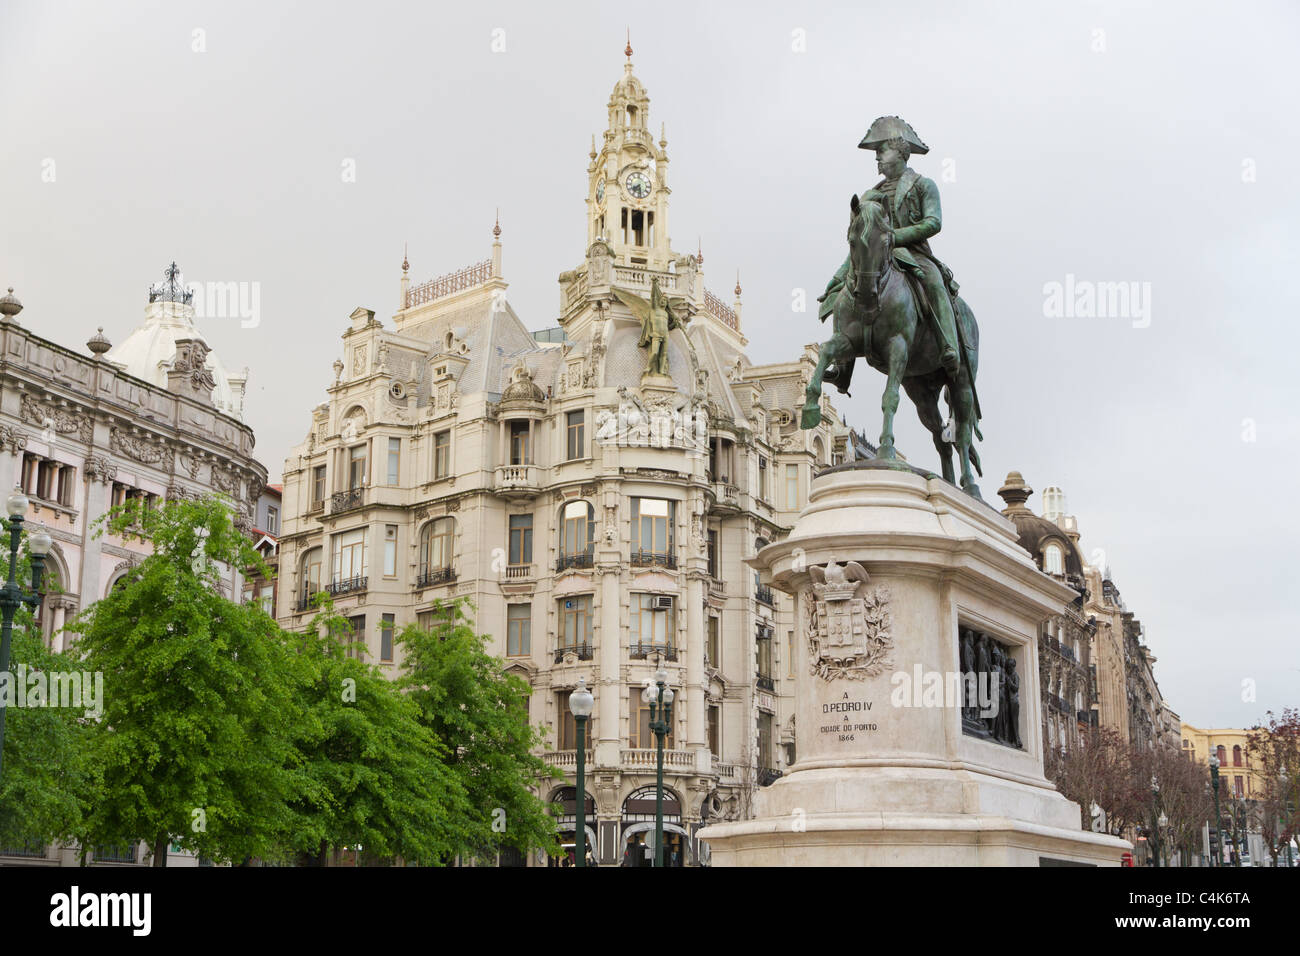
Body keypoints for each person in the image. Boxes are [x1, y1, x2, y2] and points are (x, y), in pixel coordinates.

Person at [818, 116, 962, 376]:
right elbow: (859, 243)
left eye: (882, 150)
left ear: (901, 152)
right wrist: (837, 277)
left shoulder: (923, 185)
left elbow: (933, 223)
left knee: (934, 284)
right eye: (876, 153)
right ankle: (841, 368)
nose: (877, 158)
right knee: (845, 296)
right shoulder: (869, 196)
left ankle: (948, 345)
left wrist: (895, 236)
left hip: (914, 254)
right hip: (876, 257)